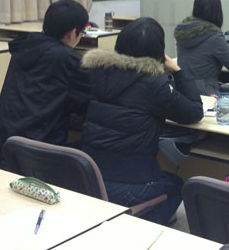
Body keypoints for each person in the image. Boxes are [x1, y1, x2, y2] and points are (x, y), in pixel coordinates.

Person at [81, 17, 203, 225]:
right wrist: (178, 71)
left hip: (88, 176)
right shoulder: (154, 85)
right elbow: (194, 111)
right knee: (178, 186)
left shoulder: (97, 72)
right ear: (159, 53)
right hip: (129, 185)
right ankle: (139, 229)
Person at [0, 0, 91, 151]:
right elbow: (87, 99)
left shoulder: (26, 46)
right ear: (73, 33)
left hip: (4, 140)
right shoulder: (66, 58)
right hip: (38, 147)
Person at [174, 0, 229, 95]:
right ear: (218, 12)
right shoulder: (214, 37)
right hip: (207, 94)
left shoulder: (183, 32)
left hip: (182, 90)